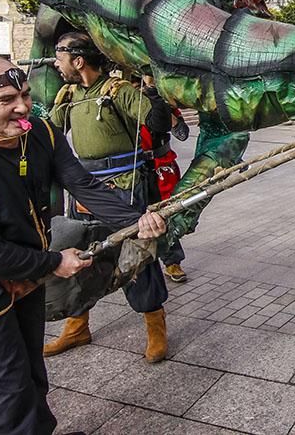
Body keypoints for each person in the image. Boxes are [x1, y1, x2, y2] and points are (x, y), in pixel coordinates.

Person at [0, 55, 167, 435]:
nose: (22, 107)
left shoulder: (40, 133)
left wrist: (136, 220)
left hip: (25, 278)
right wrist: (52, 263)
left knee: (32, 374)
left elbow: (82, 185)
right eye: (5, 100)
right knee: (5, 393)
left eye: (26, 95)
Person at [47, 32, 173, 362]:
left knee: (136, 255)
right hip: (84, 187)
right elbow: (49, 133)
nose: (56, 64)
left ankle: (154, 326)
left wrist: (155, 97)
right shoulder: (67, 95)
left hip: (125, 185)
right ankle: (77, 327)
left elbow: (159, 121)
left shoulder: (119, 90)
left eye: (59, 57)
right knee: (79, 255)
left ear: (78, 60)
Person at [136, 75, 190, 283]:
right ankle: (140, 263)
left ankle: (172, 260)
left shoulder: (161, 100)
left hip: (162, 167)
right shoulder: (123, 101)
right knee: (137, 214)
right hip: (136, 168)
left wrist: (162, 107)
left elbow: (183, 133)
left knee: (165, 214)